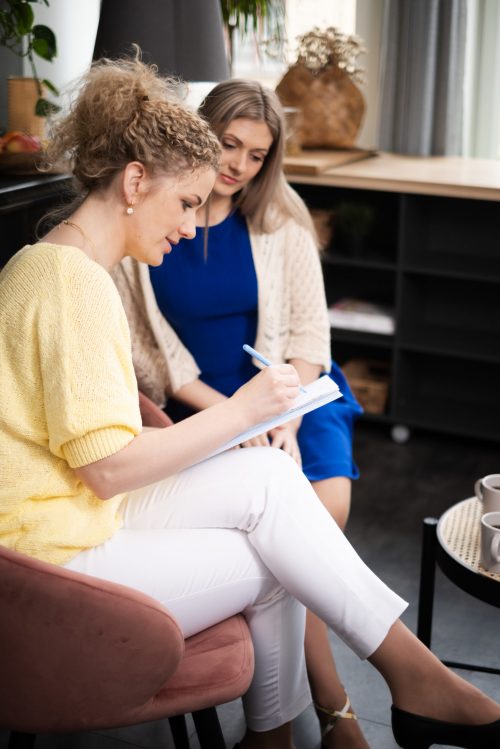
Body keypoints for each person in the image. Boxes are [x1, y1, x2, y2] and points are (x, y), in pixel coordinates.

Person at [1, 54, 499, 749]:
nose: (188, 226)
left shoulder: (61, 262)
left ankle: (392, 685)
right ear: (135, 181)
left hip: (74, 510)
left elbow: (97, 452)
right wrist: (243, 411)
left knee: (273, 483)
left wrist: (254, 416)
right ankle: (329, 716)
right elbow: (108, 466)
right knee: (278, 557)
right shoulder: (72, 281)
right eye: (185, 204)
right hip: (50, 555)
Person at [111, 78, 366, 747]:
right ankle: (332, 707)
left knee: (322, 507)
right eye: (229, 144)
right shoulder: (161, 214)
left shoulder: (282, 217)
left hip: (292, 391)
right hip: (199, 401)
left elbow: (310, 343)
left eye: (257, 154)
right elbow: (149, 355)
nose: (239, 166)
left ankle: (294, 718)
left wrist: (280, 418)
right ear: (202, 133)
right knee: (290, 526)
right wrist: (236, 417)